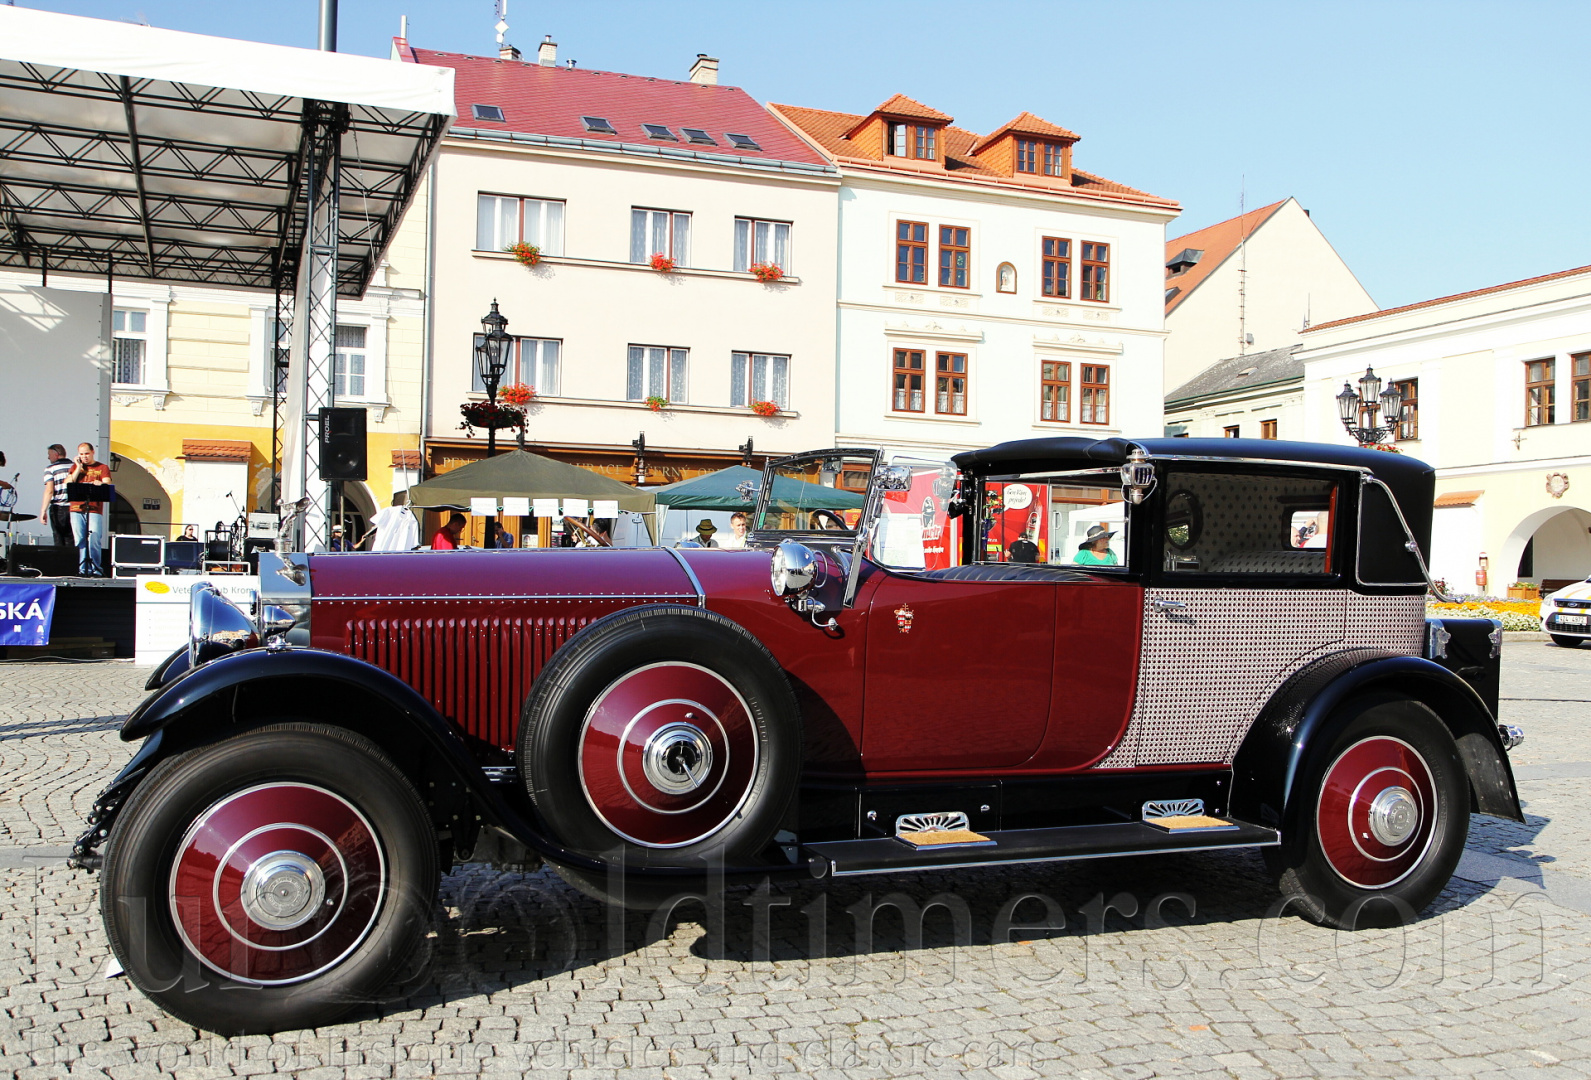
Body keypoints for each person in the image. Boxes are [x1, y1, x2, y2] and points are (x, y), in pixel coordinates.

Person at [66, 442, 112, 575]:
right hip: (76, 508)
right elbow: (68, 482)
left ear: (92, 452)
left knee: (94, 537)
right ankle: (82, 568)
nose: (84, 456)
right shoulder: (75, 467)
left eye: (87, 453)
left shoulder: (102, 467)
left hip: (94, 508)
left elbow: (107, 482)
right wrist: (78, 467)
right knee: (79, 538)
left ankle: (95, 568)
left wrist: (101, 483)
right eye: (81, 454)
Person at [39, 445, 73, 548]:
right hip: (74, 508)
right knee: (72, 540)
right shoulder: (75, 467)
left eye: (49, 454)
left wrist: (43, 510)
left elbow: (49, 490)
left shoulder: (51, 469)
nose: (48, 457)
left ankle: (60, 558)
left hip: (58, 508)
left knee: (59, 539)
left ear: (56, 455)